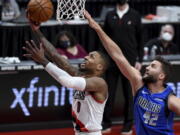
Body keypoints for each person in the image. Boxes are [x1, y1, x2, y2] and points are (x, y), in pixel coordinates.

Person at [85, 10, 180, 135]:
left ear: (161, 76)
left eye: (153, 66)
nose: (147, 68)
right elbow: (117, 55)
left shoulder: (170, 99)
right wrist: (98, 28)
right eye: (149, 65)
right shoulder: (138, 83)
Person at [23, 16, 109, 135]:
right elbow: (55, 55)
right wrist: (36, 30)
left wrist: (44, 61)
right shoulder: (81, 76)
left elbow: (68, 82)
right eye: (88, 55)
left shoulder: (99, 83)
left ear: (99, 67)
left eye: (91, 57)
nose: (85, 57)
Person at [100, 0, 143, 134]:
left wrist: (140, 59)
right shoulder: (109, 15)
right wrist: (103, 58)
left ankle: (128, 124)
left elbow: (141, 39)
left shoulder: (135, 15)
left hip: (129, 61)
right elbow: (104, 38)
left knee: (129, 95)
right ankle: (106, 123)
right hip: (112, 62)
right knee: (109, 94)